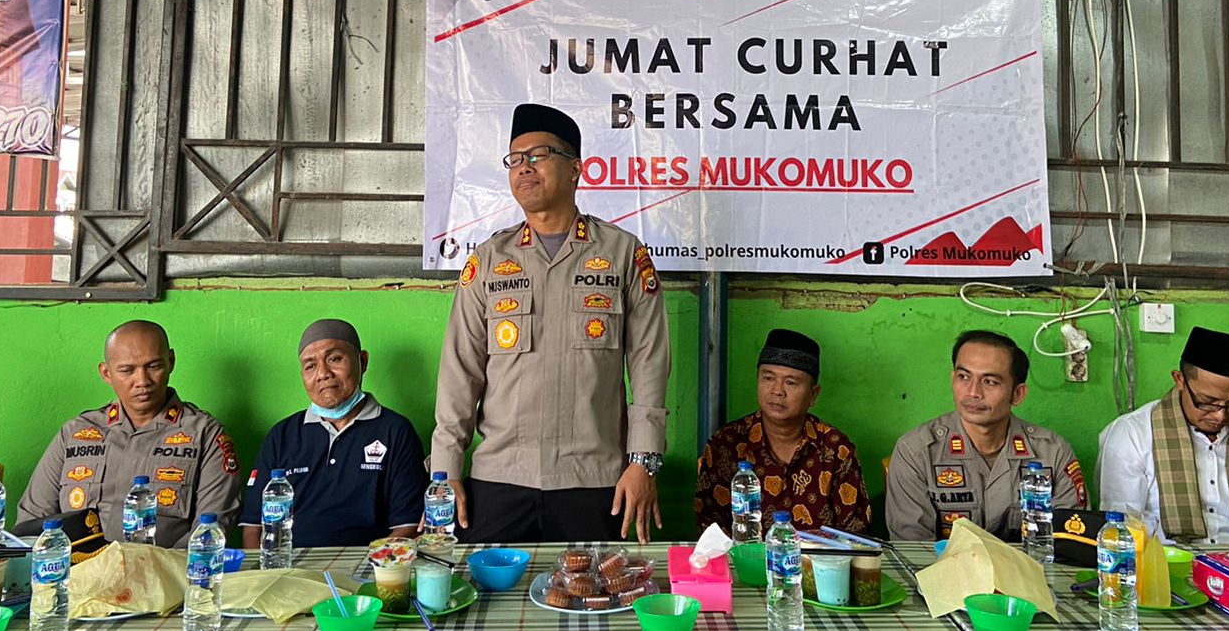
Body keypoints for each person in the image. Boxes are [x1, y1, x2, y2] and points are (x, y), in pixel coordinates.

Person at [432, 103, 671, 544]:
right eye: (515, 159)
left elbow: (650, 364)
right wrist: (445, 472)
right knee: (485, 588)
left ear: (576, 168)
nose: (524, 167)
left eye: (538, 155)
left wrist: (644, 462)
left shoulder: (622, 254)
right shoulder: (488, 260)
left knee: (599, 586)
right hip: (500, 478)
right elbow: (459, 372)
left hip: (596, 479)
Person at [17, 320, 241, 546]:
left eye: (153, 366)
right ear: (106, 373)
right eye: (127, 370)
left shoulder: (204, 435)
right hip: (78, 567)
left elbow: (210, 530)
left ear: (171, 362)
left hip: (164, 567)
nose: (142, 381)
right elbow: (33, 522)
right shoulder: (76, 433)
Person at [1096, 325, 1229, 544]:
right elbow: (1119, 533)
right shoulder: (1132, 436)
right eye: (1207, 402)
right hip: (1166, 562)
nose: (1220, 415)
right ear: (1180, 380)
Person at [886, 329, 1087, 541]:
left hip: (1030, 564)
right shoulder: (917, 451)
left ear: (1017, 394)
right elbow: (913, 549)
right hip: (944, 564)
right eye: (964, 377)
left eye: (990, 381)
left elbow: (1071, 541)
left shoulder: (1052, 452)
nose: (973, 392)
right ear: (953, 379)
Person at [241, 319, 425, 547]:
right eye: (310, 366)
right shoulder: (282, 436)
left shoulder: (395, 431)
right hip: (288, 564)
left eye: (335, 359)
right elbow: (254, 528)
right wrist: (266, 567)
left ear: (363, 361)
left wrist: (371, 563)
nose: (323, 373)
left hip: (368, 562)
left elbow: (407, 528)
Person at [693, 328, 870, 535]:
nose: (777, 391)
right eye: (768, 378)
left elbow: (856, 533)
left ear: (813, 395)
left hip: (819, 557)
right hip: (743, 556)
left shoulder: (836, 448)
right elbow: (710, 533)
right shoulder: (726, 444)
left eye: (790, 382)